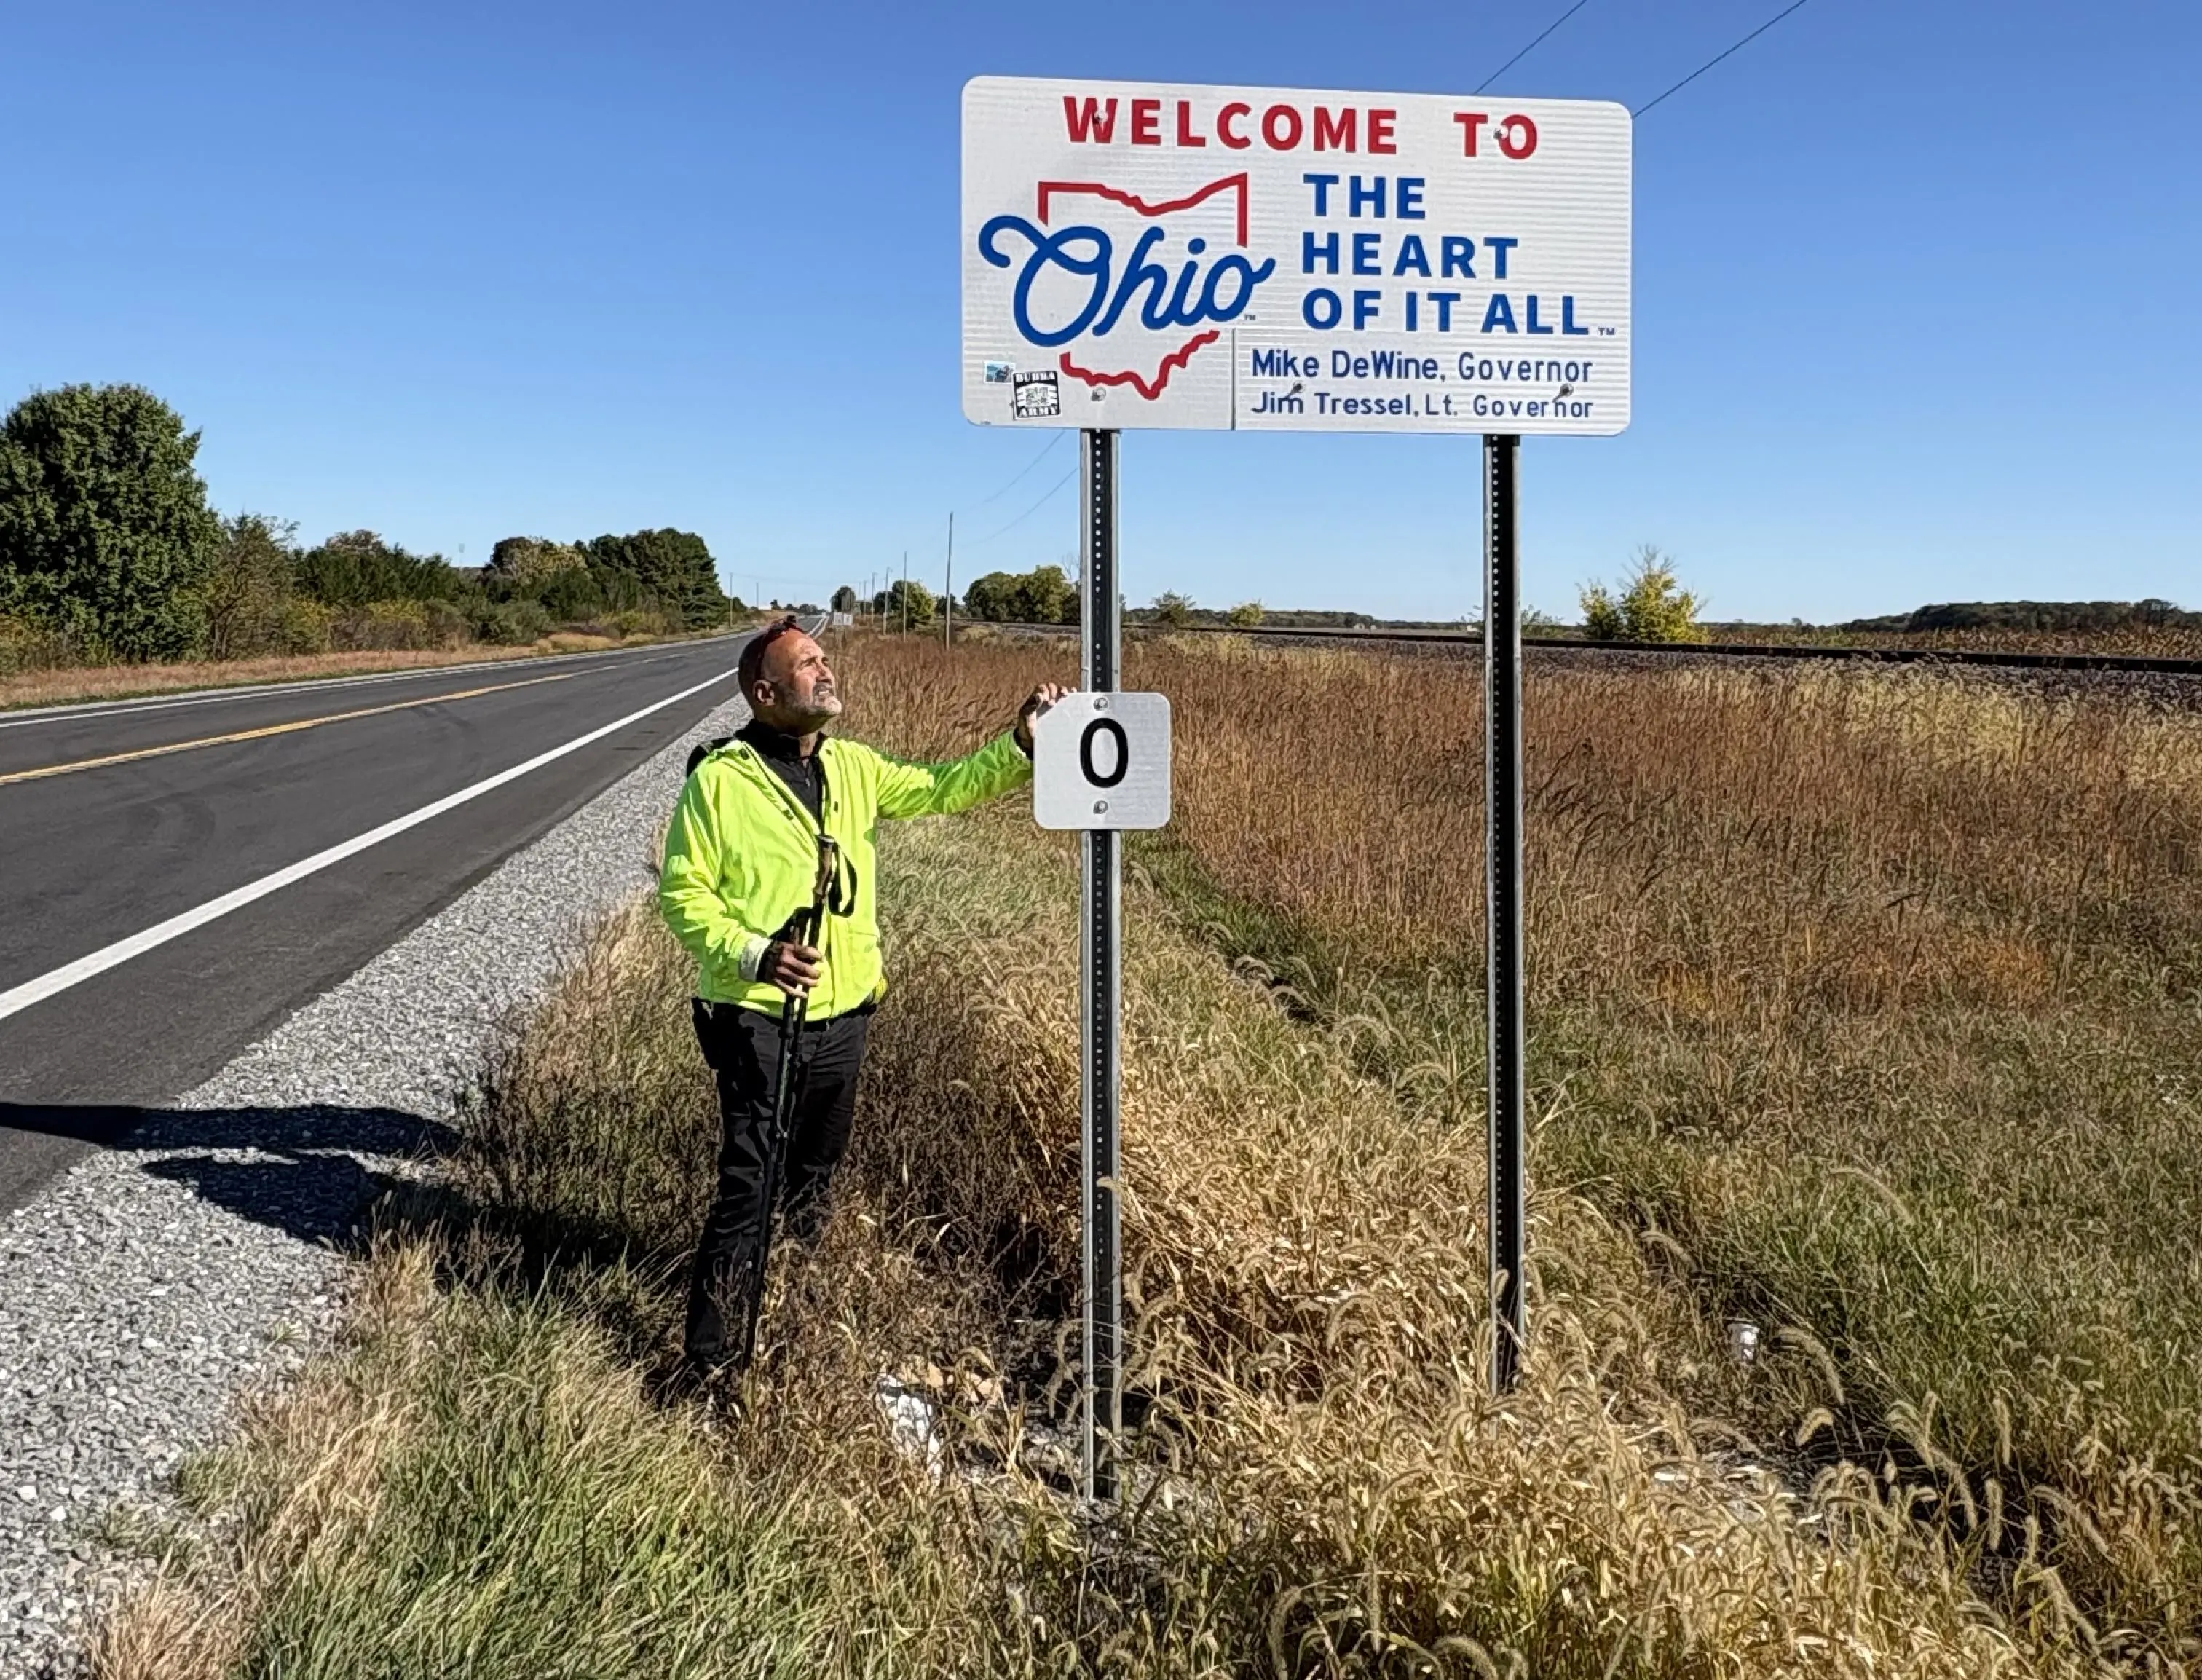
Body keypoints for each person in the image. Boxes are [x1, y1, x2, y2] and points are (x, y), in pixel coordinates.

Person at [658, 616, 1065, 1383]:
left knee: (814, 1187)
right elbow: (683, 895)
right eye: (807, 663)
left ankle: (792, 1323)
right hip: (759, 1020)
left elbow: (944, 788)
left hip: (845, 1019)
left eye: (824, 658)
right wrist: (757, 954)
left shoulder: (854, 768)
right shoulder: (720, 779)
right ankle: (710, 1365)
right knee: (749, 1190)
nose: (825, 670)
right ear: (765, 691)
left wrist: (1019, 747)